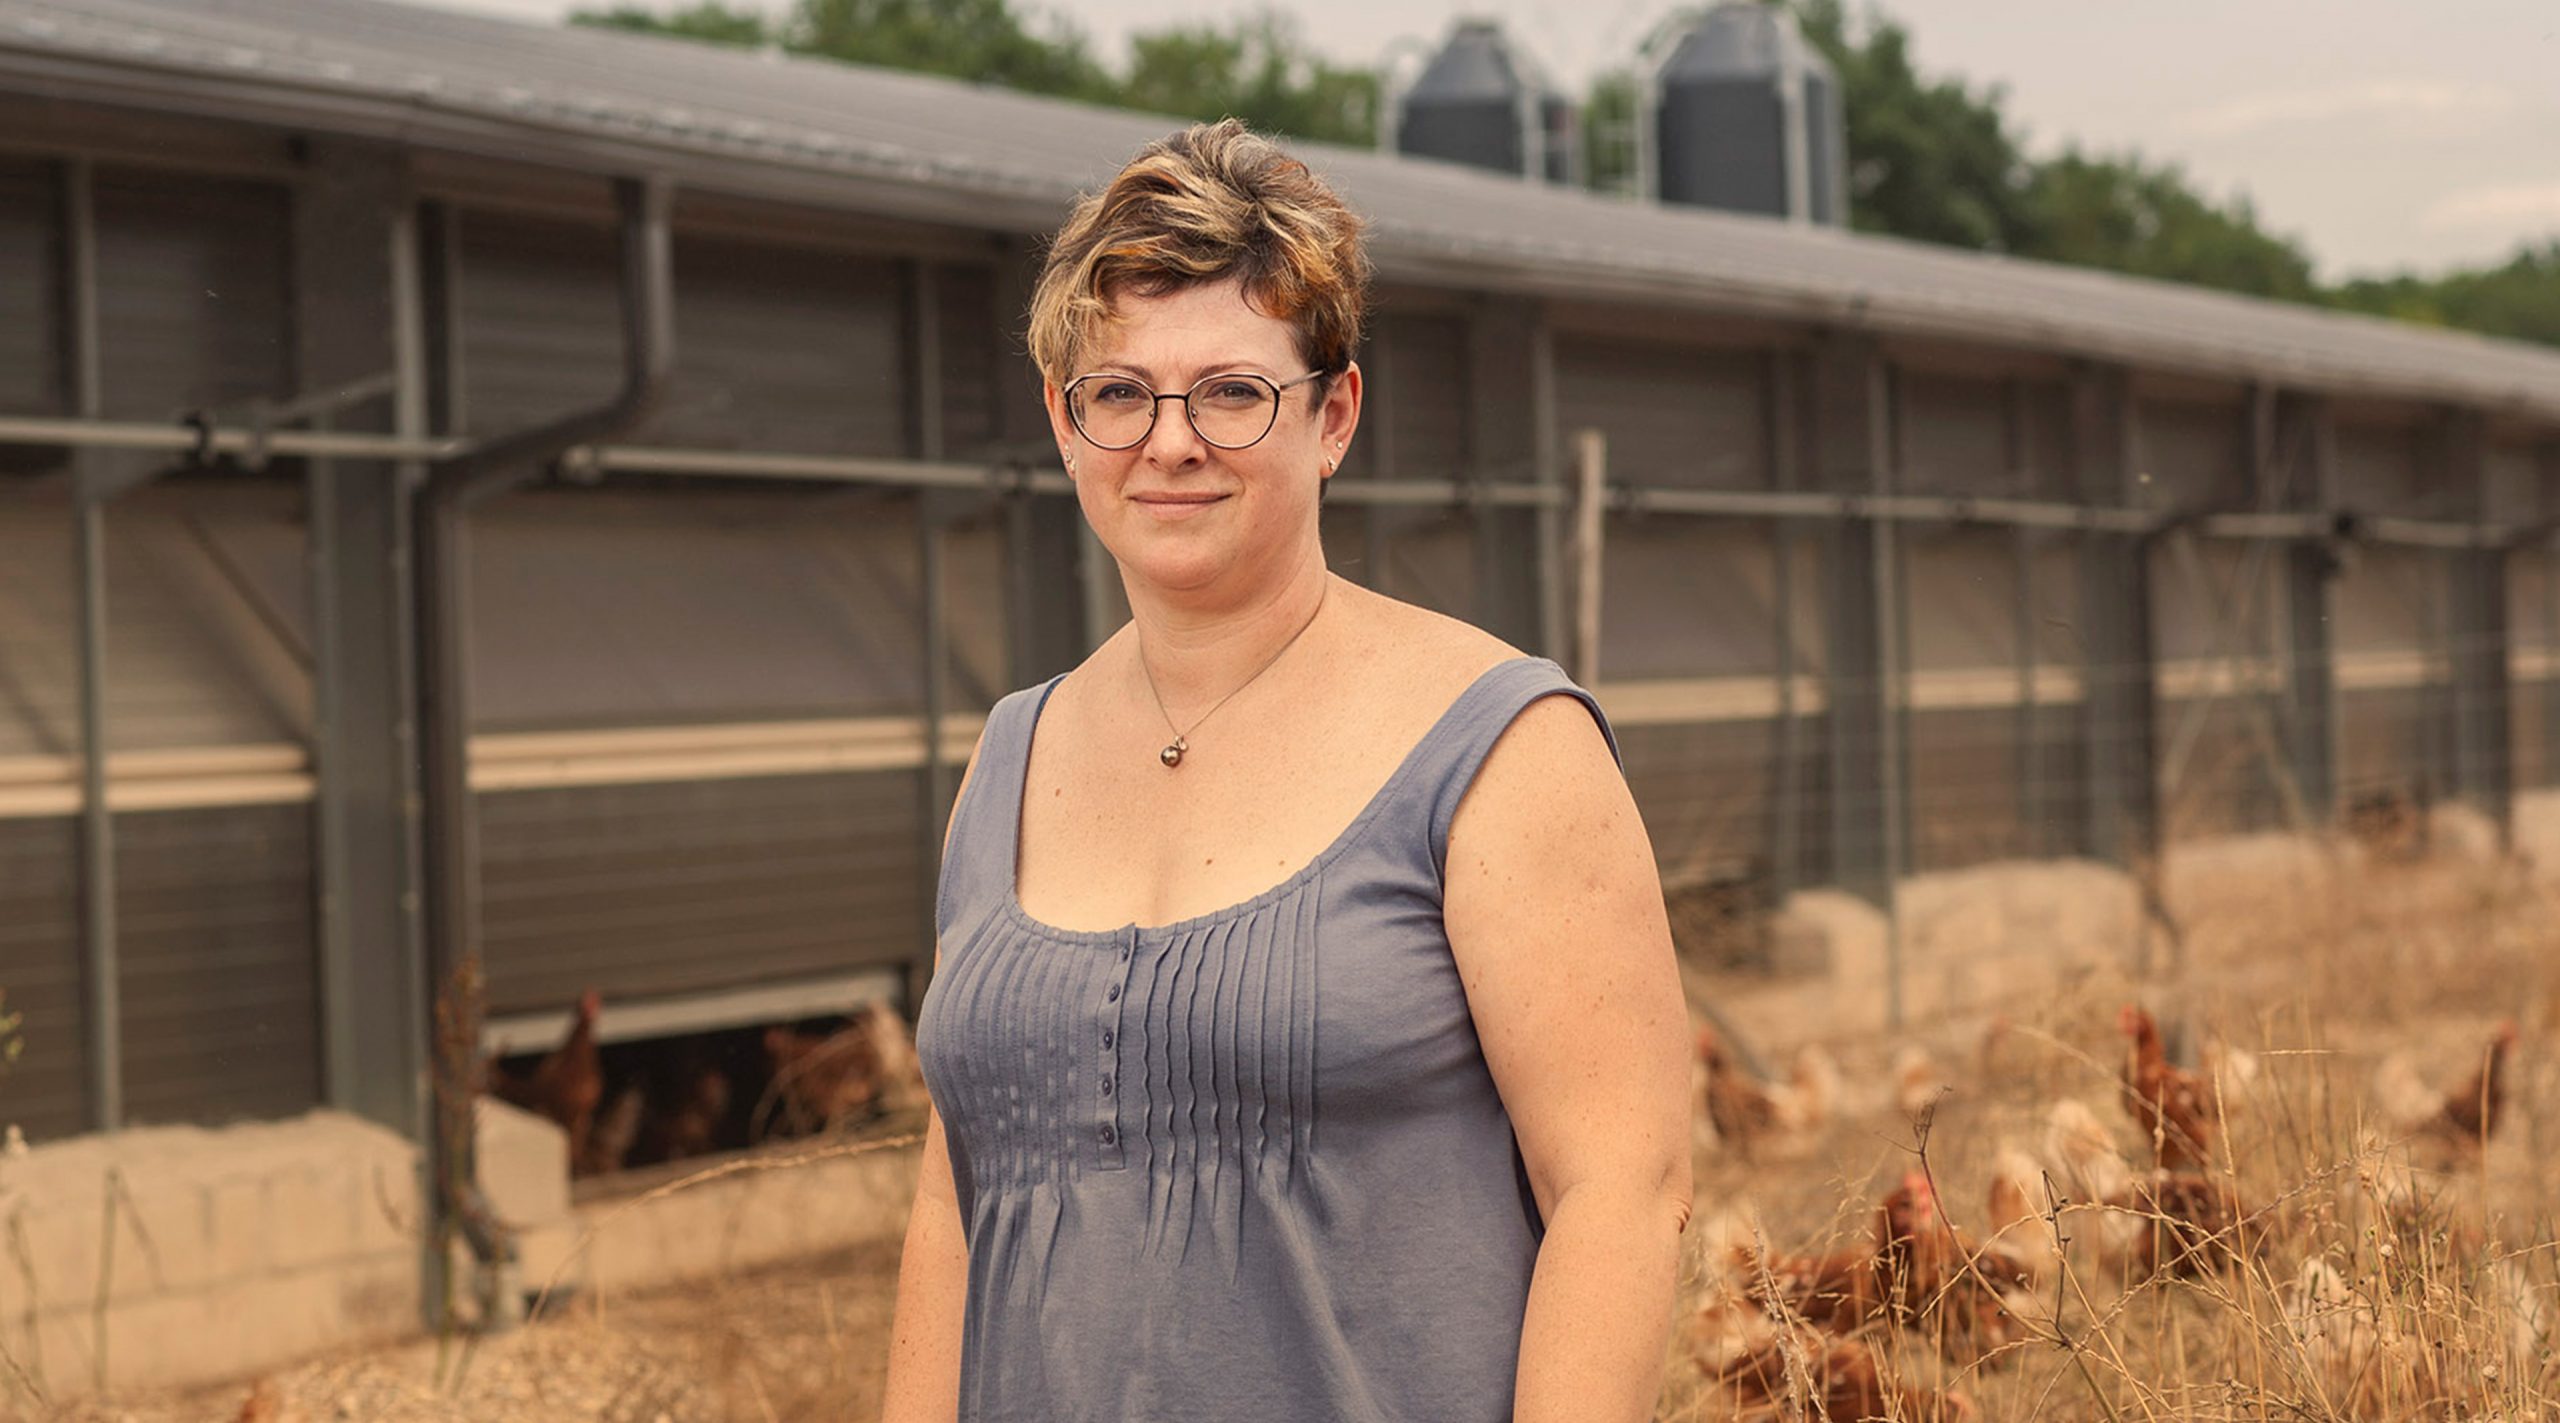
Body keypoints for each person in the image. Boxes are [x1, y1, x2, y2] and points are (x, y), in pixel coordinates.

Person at [881, 119, 1692, 1423]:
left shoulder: (1496, 746)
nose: (1172, 441)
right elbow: (950, 1201)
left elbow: (1622, 1191)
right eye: (1121, 393)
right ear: (1064, 422)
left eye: (1233, 391)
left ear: (1334, 416)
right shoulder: (1010, 756)